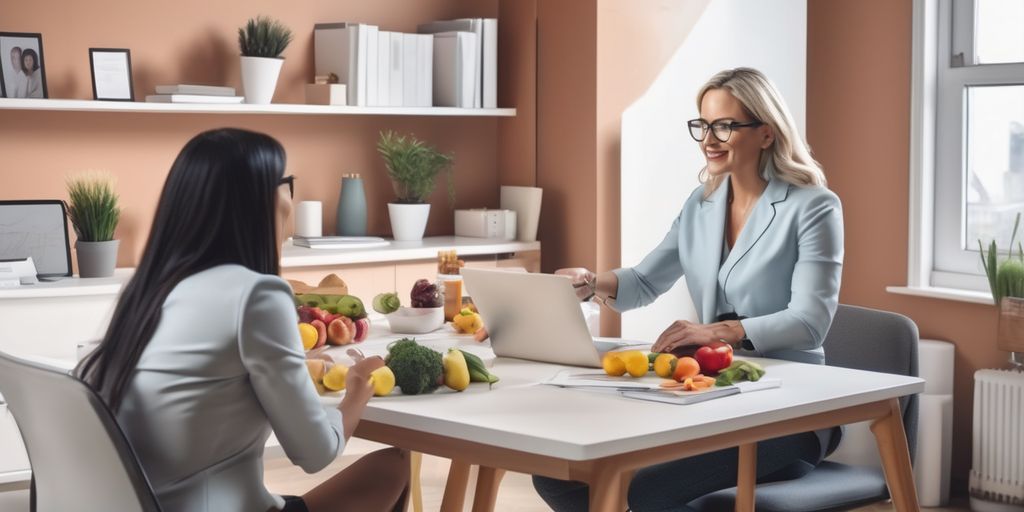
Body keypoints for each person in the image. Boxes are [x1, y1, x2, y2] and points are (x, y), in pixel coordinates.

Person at [533, 67, 844, 511]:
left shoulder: (813, 206)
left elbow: (810, 323)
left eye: (724, 126)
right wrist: (588, 283)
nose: (708, 140)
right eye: (703, 125)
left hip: (792, 412)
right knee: (559, 477)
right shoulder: (702, 205)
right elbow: (643, 282)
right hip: (709, 394)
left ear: (767, 134)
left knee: (647, 491)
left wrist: (718, 332)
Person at [77, 128, 409, 512]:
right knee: (393, 465)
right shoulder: (258, 295)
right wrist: (355, 392)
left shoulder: (145, 291)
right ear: (261, 202)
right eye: (288, 185)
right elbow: (315, 452)